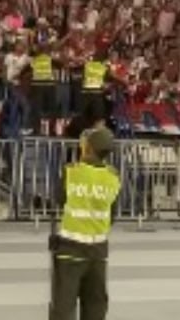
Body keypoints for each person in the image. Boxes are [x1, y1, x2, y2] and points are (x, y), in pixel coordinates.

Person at [49, 126, 121, 320]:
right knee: (95, 306)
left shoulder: (72, 172)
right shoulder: (113, 178)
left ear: (88, 148)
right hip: (98, 253)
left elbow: (59, 199)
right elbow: (112, 215)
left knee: (63, 306)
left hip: (70, 251)